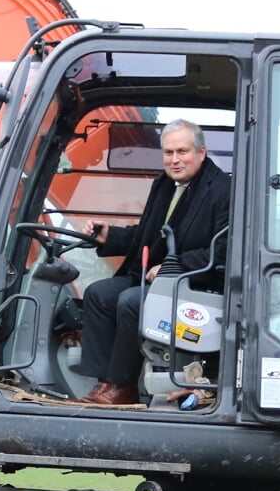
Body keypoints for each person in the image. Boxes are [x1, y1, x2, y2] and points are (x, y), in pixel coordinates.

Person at [77, 119, 231, 405]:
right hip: (152, 278)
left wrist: (175, 266)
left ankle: (123, 387)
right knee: (98, 294)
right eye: (168, 153)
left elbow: (224, 251)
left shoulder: (223, 191)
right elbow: (146, 236)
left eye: (182, 151)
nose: (174, 160)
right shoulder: (165, 185)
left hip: (193, 285)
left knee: (132, 301)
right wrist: (109, 235)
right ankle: (104, 384)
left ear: (202, 152)